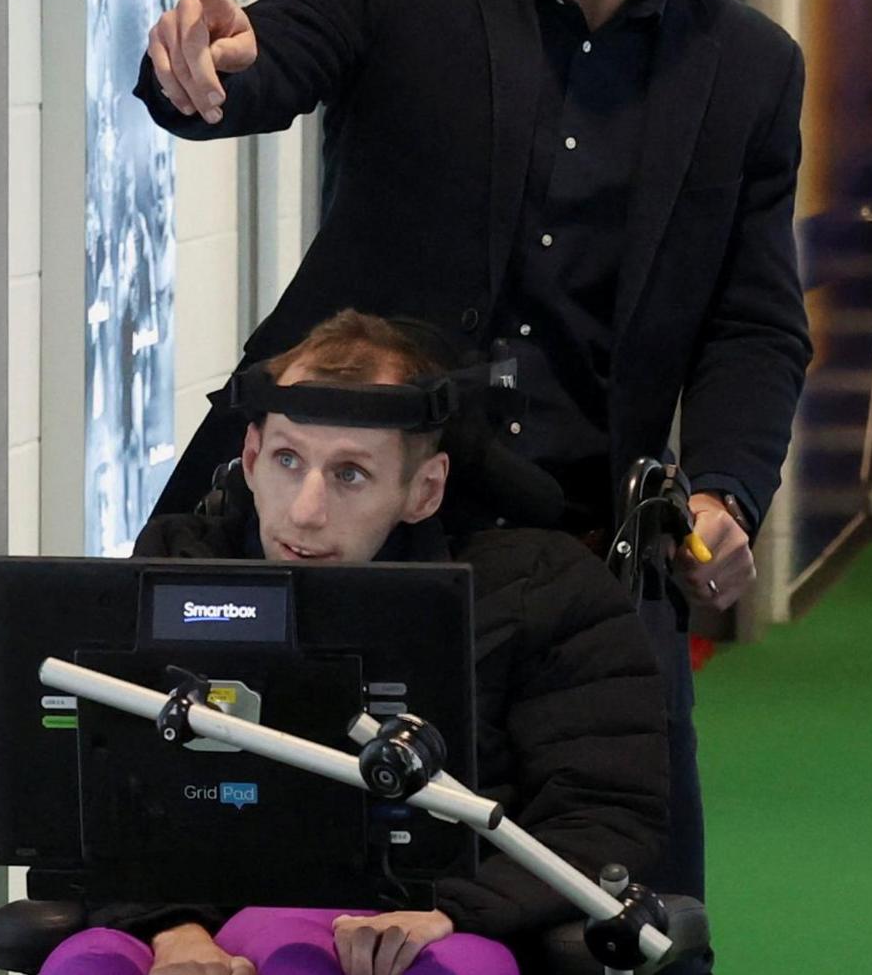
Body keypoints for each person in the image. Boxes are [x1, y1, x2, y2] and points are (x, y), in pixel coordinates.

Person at [136, 0, 811, 927]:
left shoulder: (748, 69)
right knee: (236, 874)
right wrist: (209, 64)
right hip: (345, 510)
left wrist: (726, 488)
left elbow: (754, 323)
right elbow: (268, 52)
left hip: (583, 555)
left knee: (637, 920)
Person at [42, 310, 669, 975]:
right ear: (251, 459)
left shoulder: (541, 590)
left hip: (433, 921)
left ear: (423, 490)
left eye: (350, 475)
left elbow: (603, 816)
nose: (306, 509)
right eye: (288, 459)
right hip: (190, 917)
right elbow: (103, 800)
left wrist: (455, 907)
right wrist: (175, 931)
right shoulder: (171, 569)